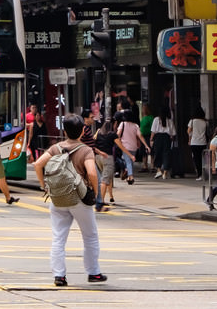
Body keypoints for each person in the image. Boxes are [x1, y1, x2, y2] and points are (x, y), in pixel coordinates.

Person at [34, 113, 104, 287]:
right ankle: (93, 272)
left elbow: (37, 164)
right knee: (90, 236)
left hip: (58, 198)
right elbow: (92, 173)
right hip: (79, 198)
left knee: (58, 237)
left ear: (64, 131)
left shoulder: (55, 148)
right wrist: (95, 193)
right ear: (82, 131)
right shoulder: (86, 150)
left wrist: (44, 186)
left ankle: (59, 276)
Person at [91, 119, 117, 212]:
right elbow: (120, 145)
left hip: (98, 157)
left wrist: (98, 151)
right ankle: (100, 201)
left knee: (105, 178)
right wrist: (130, 155)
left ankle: (108, 197)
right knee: (104, 180)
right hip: (107, 157)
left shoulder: (98, 132)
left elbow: (93, 141)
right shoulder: (113, 134)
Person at [116, 112, 142, 183]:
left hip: (125, 146)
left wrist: (117, 141)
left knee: (127, 161)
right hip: (134, 146)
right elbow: (139, 135)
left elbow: (118, 134)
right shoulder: (135, 125)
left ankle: (131, 176)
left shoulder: (122, 124)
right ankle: (128, 176)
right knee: (130, 161)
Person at [149, 107, 174, 176]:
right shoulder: (170, 121)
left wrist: (151, 139)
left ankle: (159, 170)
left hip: (158, 138)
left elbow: (153, 131)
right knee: (166, 154)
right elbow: (173, 133)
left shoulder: (156, 119)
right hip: (167, 138)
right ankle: (165, 172)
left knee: (158, 153)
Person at [185, 108, 208, 179]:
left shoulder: (192, 121)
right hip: (203, 142)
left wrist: (190, 137)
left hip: (194, 142)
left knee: (196, 159)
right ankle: (204, 173)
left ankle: (199, 174)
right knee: (202, 158)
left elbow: (188, 131)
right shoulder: (205, 122)